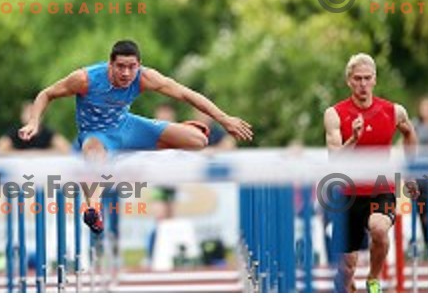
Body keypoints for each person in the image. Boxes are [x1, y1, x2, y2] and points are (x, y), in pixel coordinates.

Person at [18, 40, 253, 234]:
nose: (126, 73)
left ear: (139, 65)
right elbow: (46, 94)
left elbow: (185, 94)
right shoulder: (85, 79)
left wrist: (224, 119)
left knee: (198, 141)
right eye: (120, 66)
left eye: (132, 67)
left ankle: (164, 136)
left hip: (128, 127)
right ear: (110, 64)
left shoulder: (144, 77)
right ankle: (92, 210)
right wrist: (34, 121)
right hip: (97, 135)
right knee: (94, 157)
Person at [323, 53, 419, 293]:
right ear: (349, 81)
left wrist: (410, 172)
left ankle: (373, 279)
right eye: (357, 79)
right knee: (347, 268)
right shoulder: (334, 114)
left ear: (375, 79)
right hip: (347, 193)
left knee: (379, 228)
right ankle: (346, 285)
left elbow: (409, 133)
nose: (363, 84)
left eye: (367, 78)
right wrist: (353, 139)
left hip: (380, 188)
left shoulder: (394, 111)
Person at [0, 101, 71, 155]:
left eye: (33, 112)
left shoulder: (47, 132)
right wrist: (25, 154)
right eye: (28, 112)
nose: (30, 116)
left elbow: (66, 148)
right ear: (22, 116)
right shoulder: (15, 132)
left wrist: (38, 154)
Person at [413, 96, 428, 243]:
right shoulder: (415, 126)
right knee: (423, 211)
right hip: (421, 175)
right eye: (424, 107)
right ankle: (427, 241)